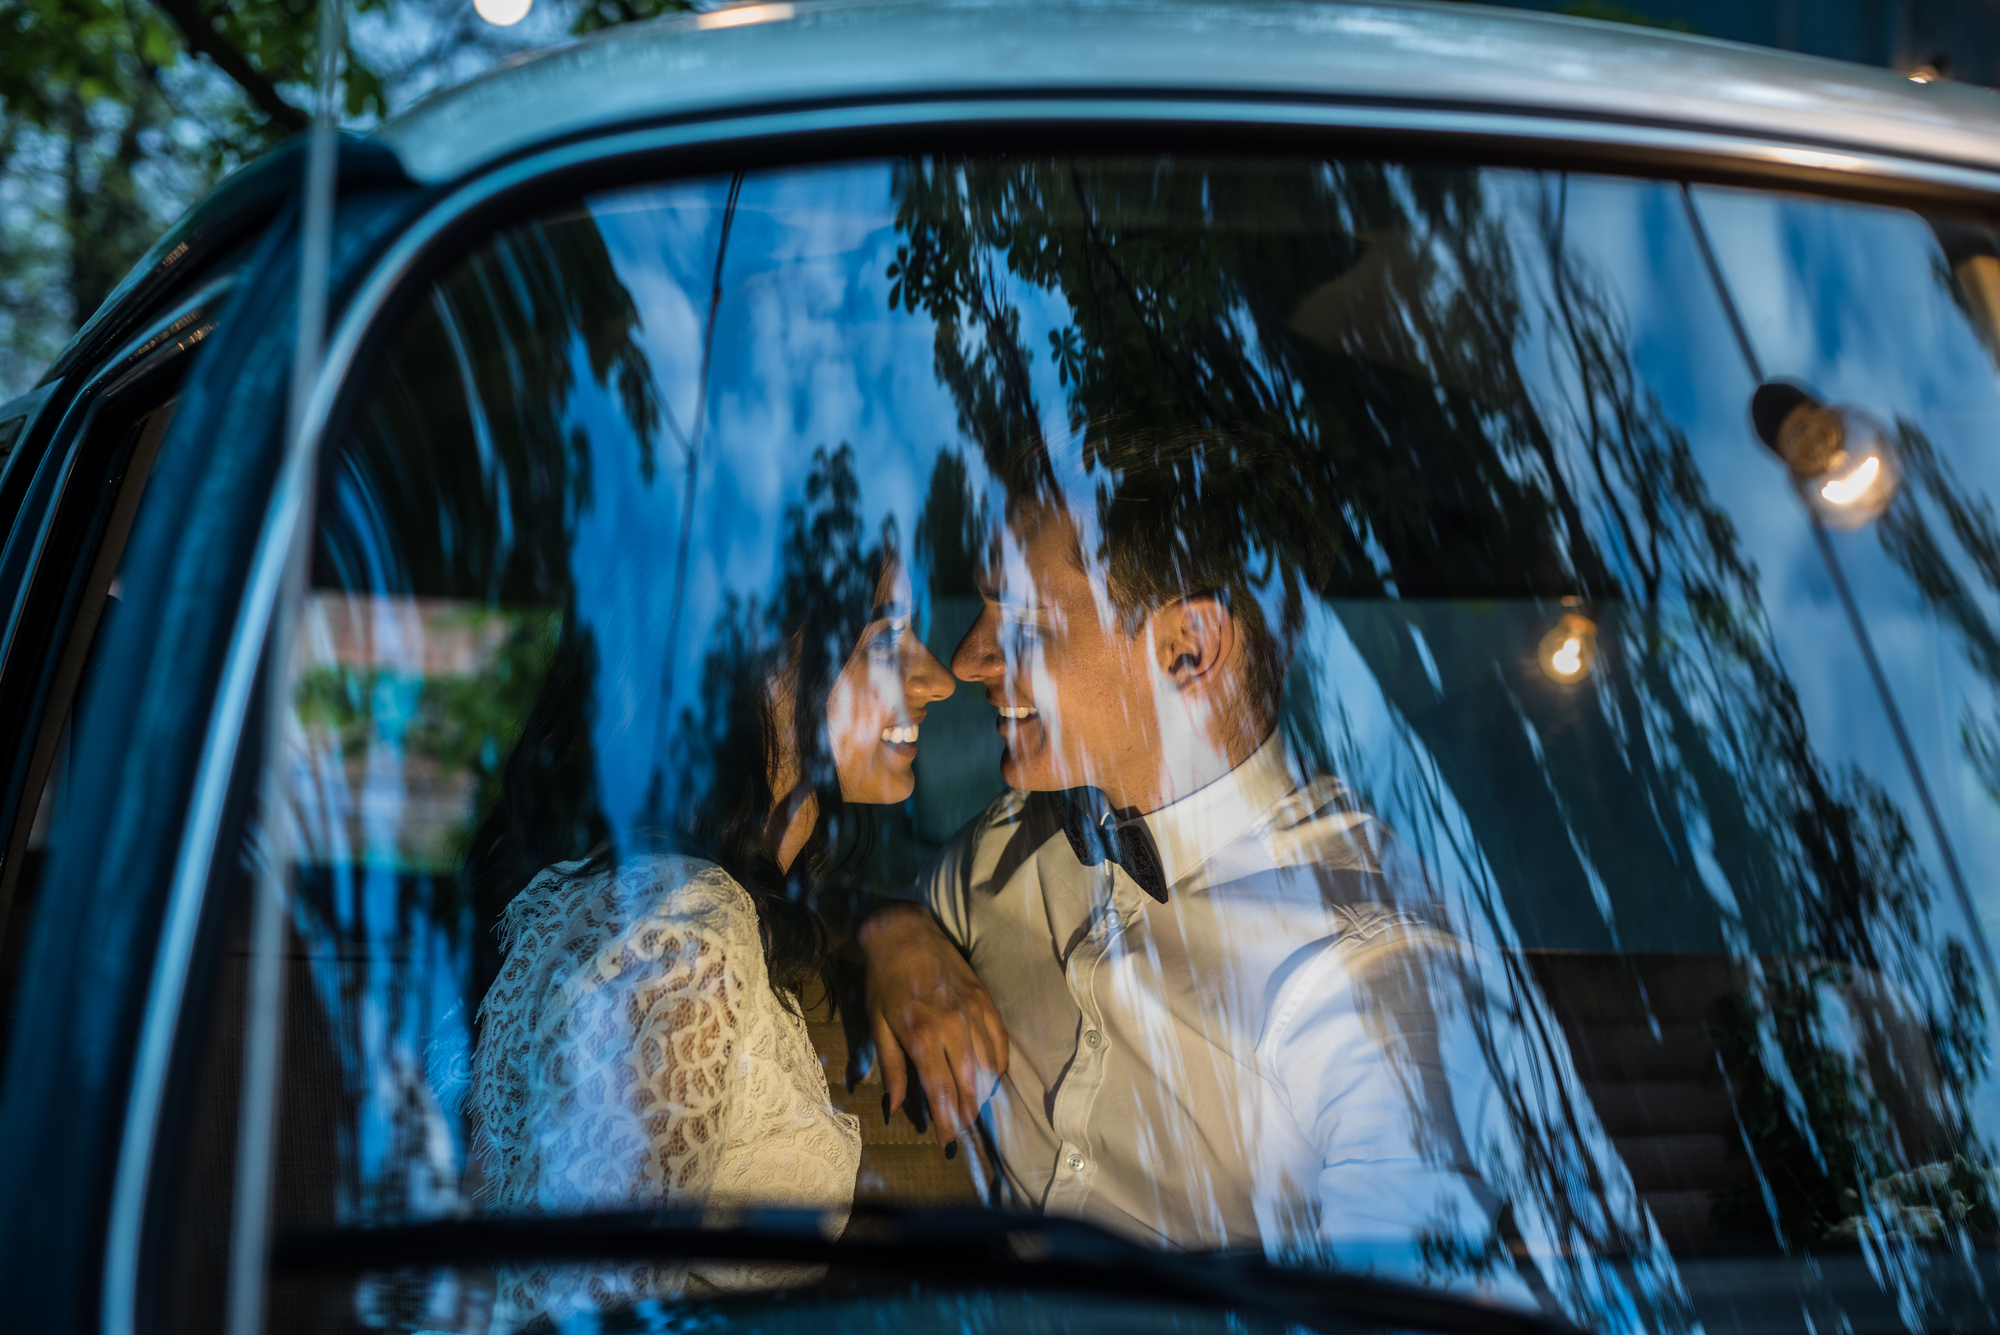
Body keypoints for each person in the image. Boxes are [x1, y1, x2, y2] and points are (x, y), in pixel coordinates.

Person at [858, 432, 1515, 1280]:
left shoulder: (1382, 976)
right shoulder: (1012, 837)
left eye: (1019, 617)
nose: (968, 659)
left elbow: (1406, 1292)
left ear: (1188, 650)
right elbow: (847, 886)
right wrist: (888, 929)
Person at [468, 543, 955, 1329]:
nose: (938, 678)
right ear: (756, 656)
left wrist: (876, 921)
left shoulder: (660, 900)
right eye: (886, 640)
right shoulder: (688, 935)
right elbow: (589, 1310)